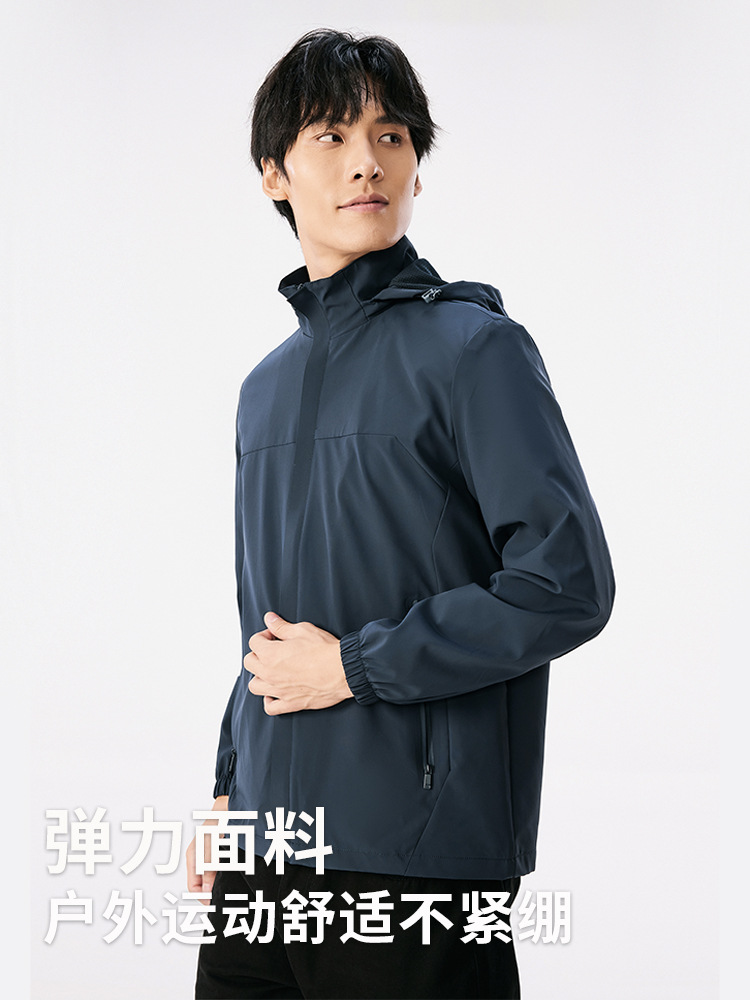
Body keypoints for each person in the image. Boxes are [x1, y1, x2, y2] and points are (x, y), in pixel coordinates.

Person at [188, 28, 615, 1000]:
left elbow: (565, 584)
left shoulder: (474, 350)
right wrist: (228, 787)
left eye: (391, 135)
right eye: (332, 136)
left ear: (417, 165)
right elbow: (269, 623)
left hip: (412, 863)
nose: (367, 162)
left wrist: (355, 665)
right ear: (273, 174)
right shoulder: (264, 388)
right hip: (264, 858)